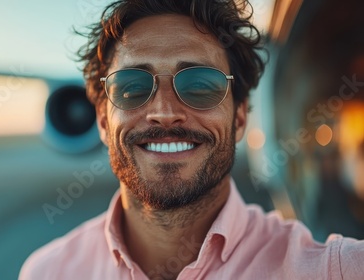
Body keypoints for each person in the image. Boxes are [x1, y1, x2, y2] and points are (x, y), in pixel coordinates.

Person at [19, 0, 364, 279]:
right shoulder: (46, 272)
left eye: (200, 84)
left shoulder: (336, 269)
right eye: (132, 87)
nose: (165, 112)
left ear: (241, 117)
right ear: (102, 121)